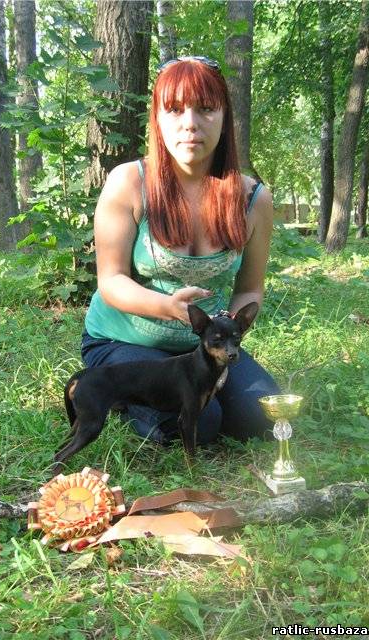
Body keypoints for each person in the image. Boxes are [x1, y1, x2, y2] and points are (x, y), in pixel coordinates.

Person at [81, 56, 280, 446]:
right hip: (125, 341)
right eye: (174, 109)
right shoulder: (128, 182)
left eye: (205, 108)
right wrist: (168, 307)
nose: (190, 123)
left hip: (203, 347)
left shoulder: (253, 198)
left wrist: (229, 327)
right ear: (157, 118)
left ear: (225, 116)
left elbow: (250, 289)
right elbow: (111, 280)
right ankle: (117, 393)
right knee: (200, 424)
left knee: (261, 417)